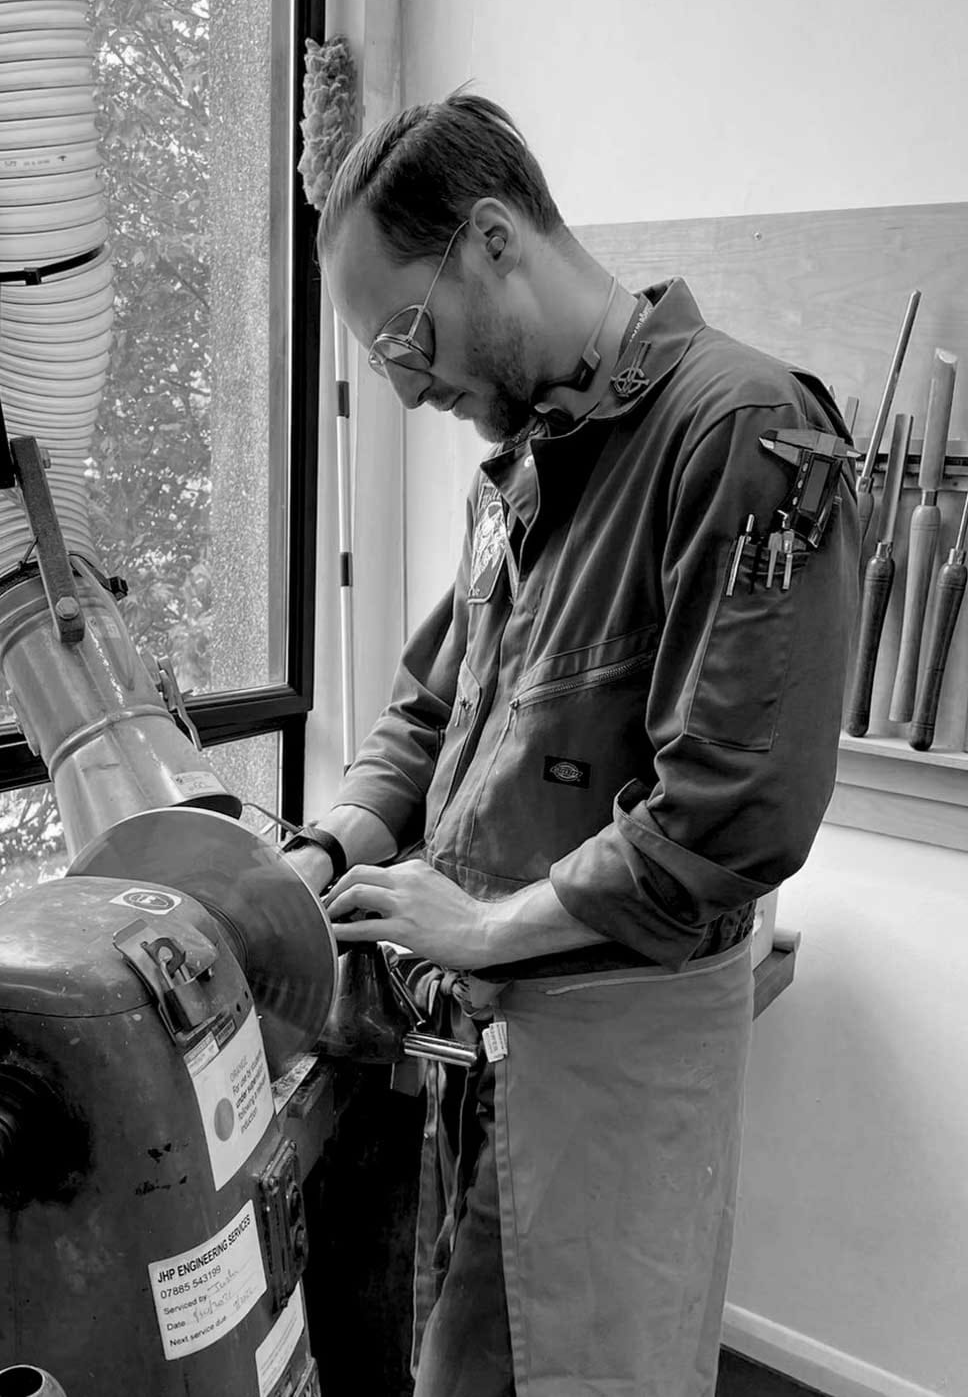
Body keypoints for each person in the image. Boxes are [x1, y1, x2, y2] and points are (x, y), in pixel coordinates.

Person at [284, 91, 859, 1397]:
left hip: (618, 1058)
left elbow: (736, 816)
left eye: (406, 337)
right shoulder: (530, 470)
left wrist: (480, 927)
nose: (410, 383)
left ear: (493, 240)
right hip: (485, 1051)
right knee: (466, 1364)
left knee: (600, 1371)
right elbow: (431, 713)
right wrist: (331, 854)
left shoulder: (741, 433)